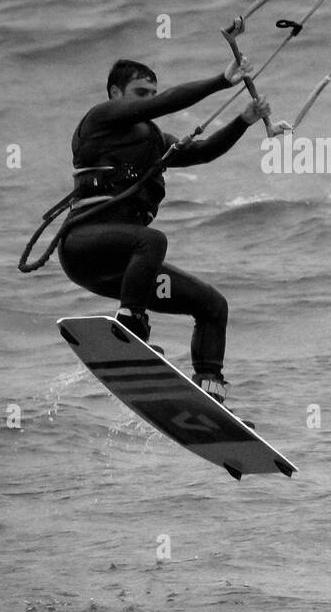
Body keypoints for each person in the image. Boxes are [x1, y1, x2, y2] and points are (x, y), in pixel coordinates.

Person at [58, 56, 271, 404]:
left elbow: (202, 152)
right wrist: (221, 80)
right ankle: (129, 326)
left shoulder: (155, 142)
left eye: (152, 92)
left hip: (126, 269)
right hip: (84, 246)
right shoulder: (99, 120)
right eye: (140, 92)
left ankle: (210, 390)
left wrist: (243, 121)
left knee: (212, 305)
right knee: (152, 240)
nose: (149, 99)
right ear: (115, 93)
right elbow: (166, 102)